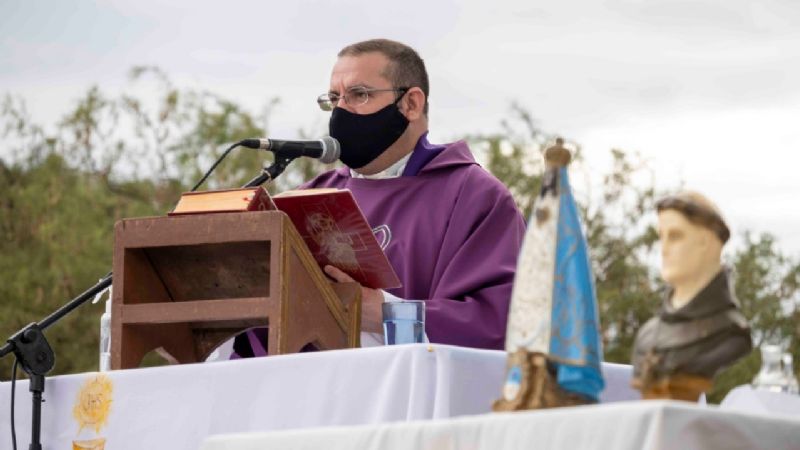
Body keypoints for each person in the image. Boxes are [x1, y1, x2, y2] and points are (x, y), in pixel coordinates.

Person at [232, 38, 525, 357]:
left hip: (413, 398)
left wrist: (385, 314)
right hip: (311, 395)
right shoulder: (309, 198)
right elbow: (266, 321)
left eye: (359, 95)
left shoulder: (473, 196)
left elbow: (498, 324)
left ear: (411, 104)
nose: (341, 111)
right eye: (334, 98)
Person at [631, 191, 751, 399]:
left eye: (675, 236)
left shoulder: (731, 332)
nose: (664, 249)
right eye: (662, 237)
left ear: (706, 242)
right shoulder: (647, 337)